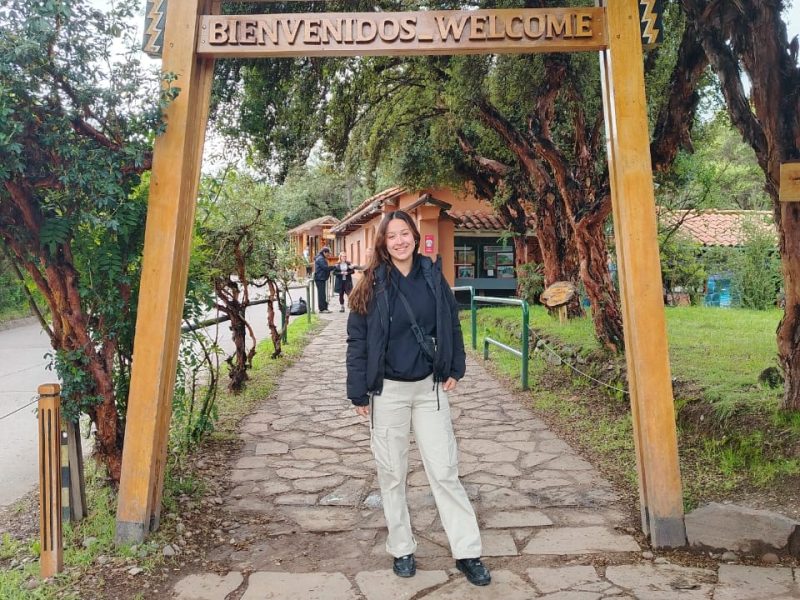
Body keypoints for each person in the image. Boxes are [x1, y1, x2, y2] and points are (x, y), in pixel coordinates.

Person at [345, 210, 491, 587]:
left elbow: (451, 322)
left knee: (444, 470)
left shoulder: (431, 275)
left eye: (404, 233)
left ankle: (467, 552)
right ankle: (402, 548)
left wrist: (455, 365)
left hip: (429, 389)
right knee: (392, 473)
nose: (399, 241)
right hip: (387, 392)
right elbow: (357, 339)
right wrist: (357, 390)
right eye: (391, 235)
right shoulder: (372, 282)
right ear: (383, 242)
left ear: (414, 236)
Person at [313, 246, 334, 313]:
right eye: (328, 253)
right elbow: (325, 268)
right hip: (320, 278)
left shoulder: (321, 258)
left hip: (321, 278)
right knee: (321, 294)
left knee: (322, 294)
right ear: (324, 252)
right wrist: (334, 267)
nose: (329, 255)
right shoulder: (320, 259)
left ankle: (324, 308)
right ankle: (322, 309)